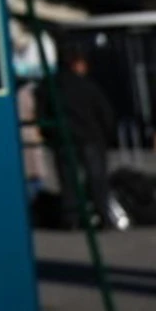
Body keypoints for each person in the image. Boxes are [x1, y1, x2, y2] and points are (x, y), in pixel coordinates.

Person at [55, 54, 119, 229]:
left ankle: (71, 219)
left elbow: (44, 111)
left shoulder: (54, 87)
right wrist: (107, 135)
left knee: (69, 180)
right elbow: (105, 112)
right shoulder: (88, 86)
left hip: (65, 139)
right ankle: (102, 215)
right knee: (97, 179)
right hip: (91, 138)